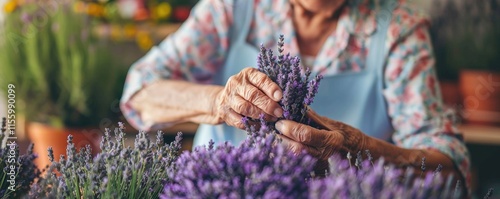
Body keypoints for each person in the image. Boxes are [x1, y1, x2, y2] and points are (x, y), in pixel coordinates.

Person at [120, 0, 470, 189]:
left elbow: (452, 168)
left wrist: (358, 148)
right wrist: (217, 103)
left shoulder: (397, 30)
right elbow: (140, 93)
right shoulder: (233, 9)